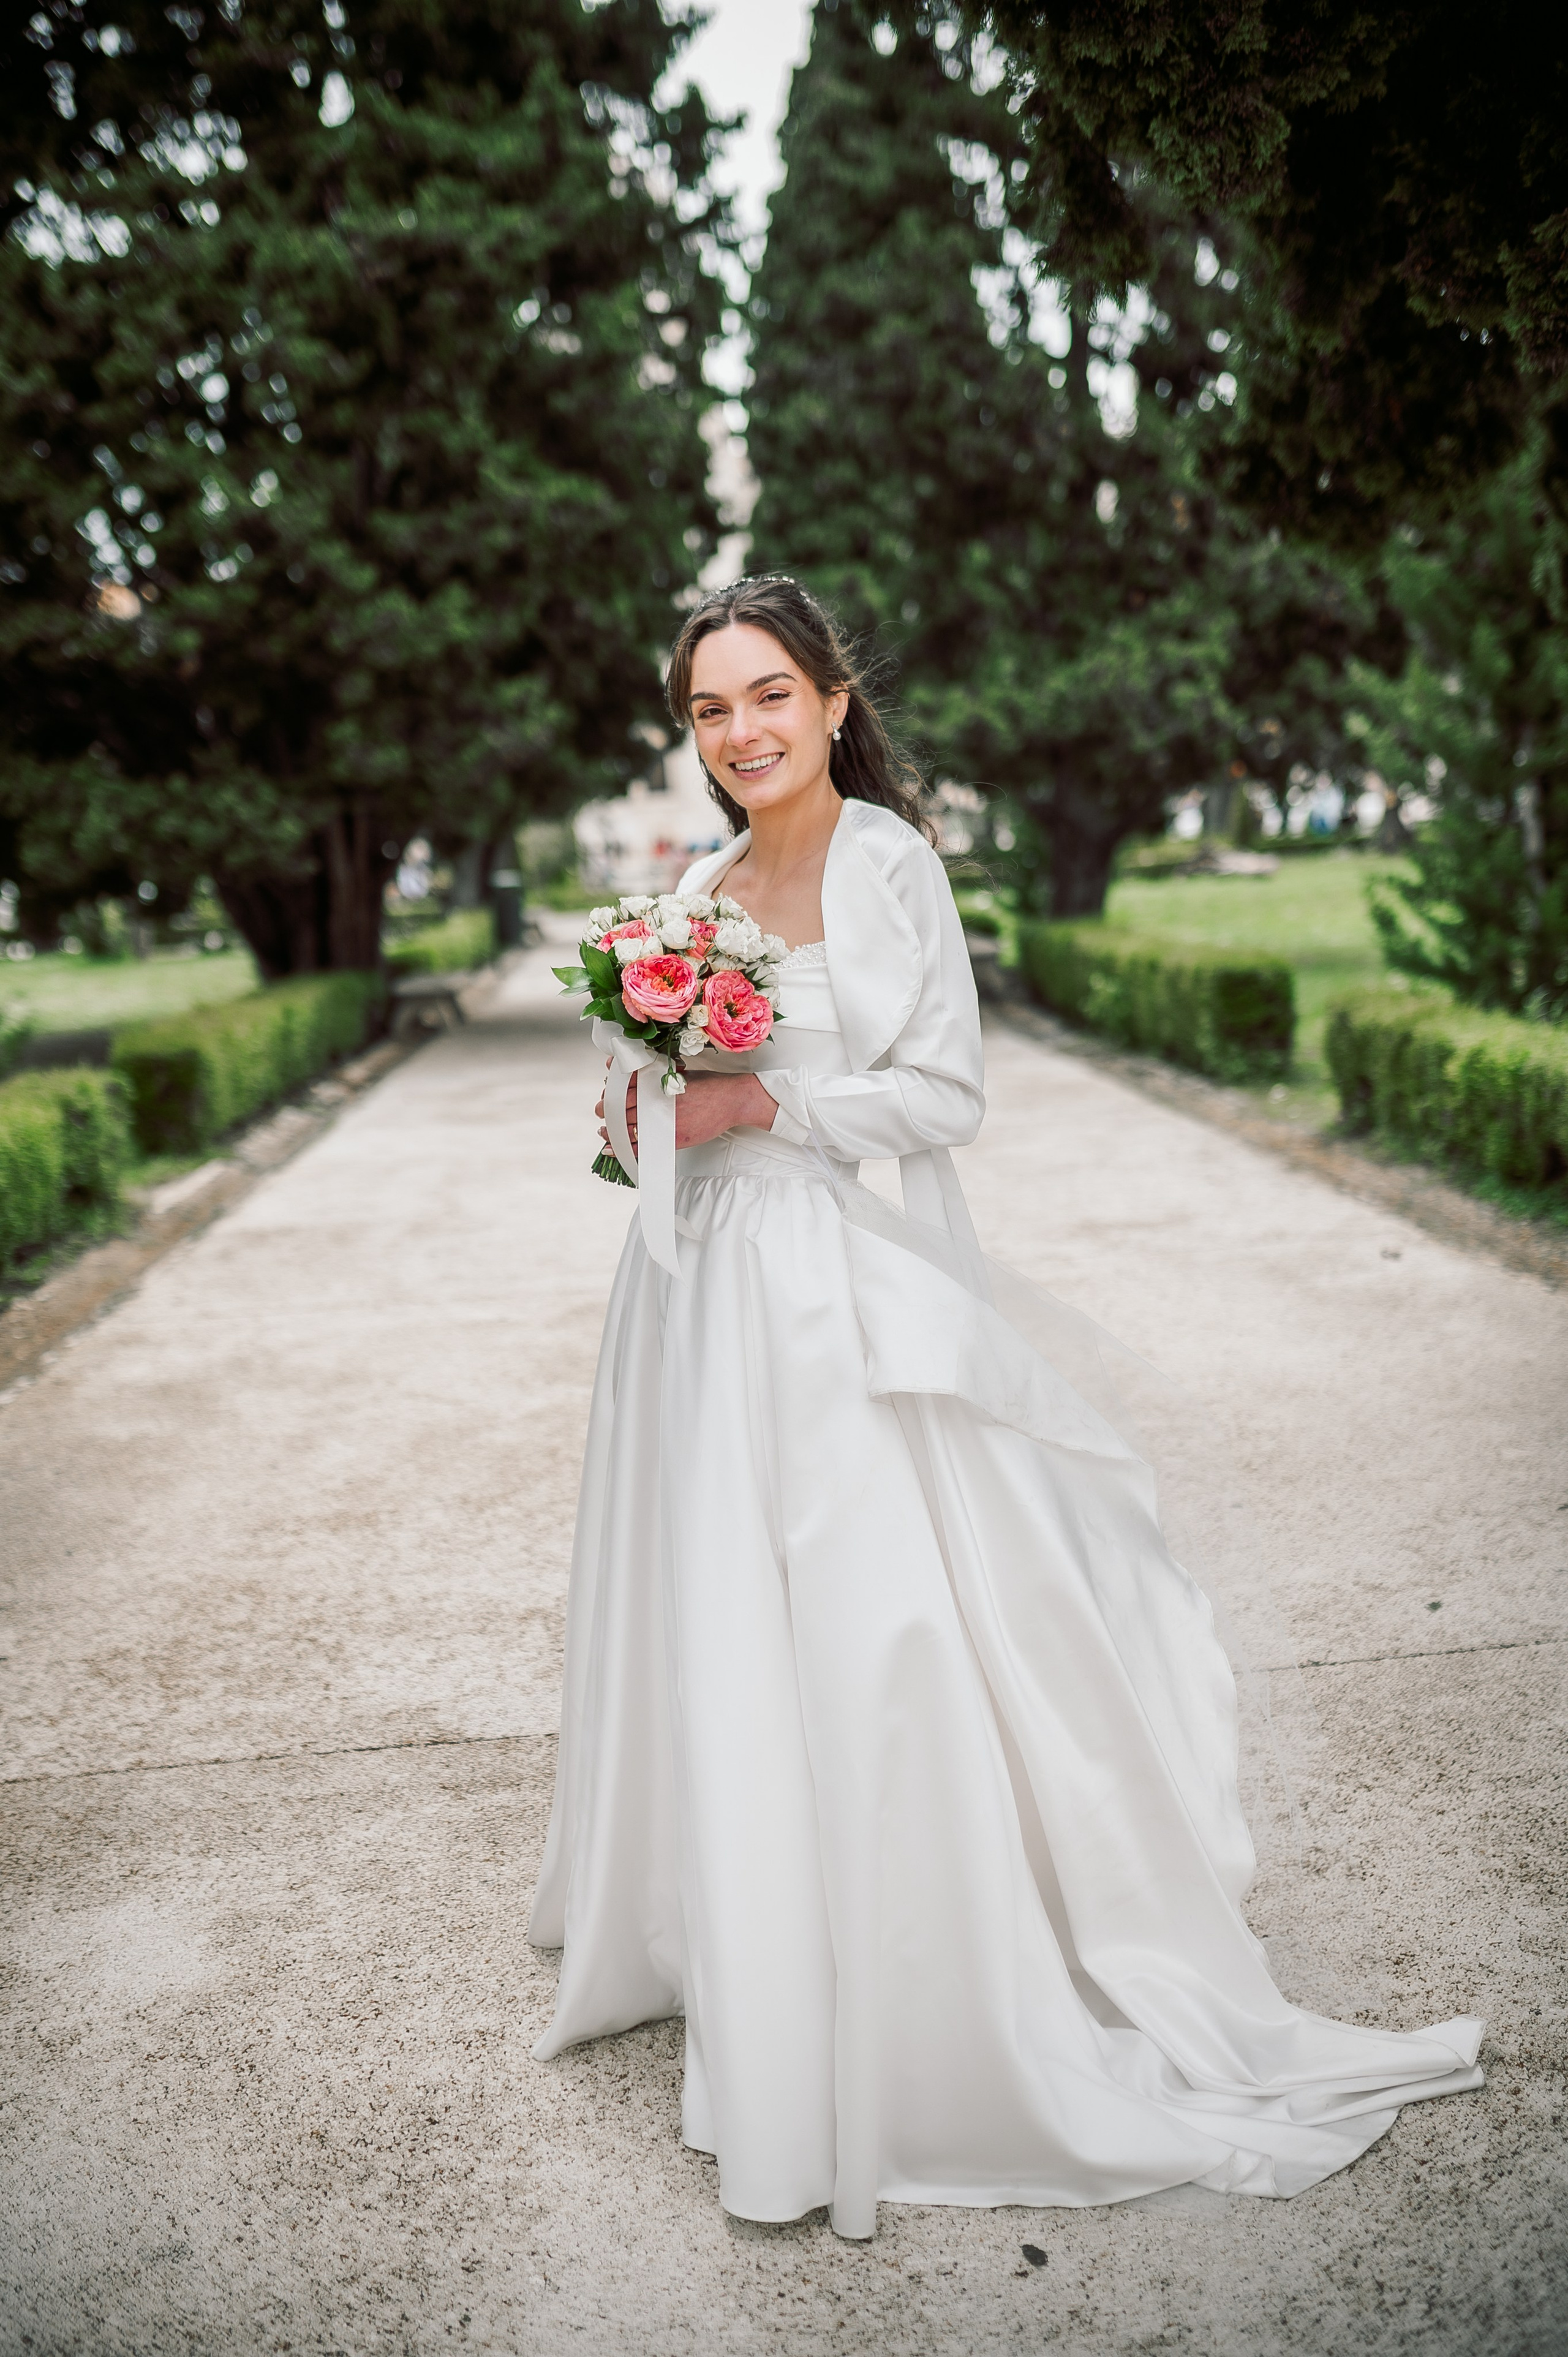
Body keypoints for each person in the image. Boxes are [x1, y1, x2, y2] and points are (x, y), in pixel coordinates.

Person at [527, 575, 1482, 2242]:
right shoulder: (694, 888)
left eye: (769, 695)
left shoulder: (888, 862)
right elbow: (644, 1105)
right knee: (714, 1611)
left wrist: (766, 1107)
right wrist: (641, 1106)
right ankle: (745, 1928)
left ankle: (900, 1968)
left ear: (834, 700)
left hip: (814, 1289)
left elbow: (944, 1092)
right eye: (709, 709)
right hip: (686, 1299)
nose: (741, 732)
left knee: (867, 1618)